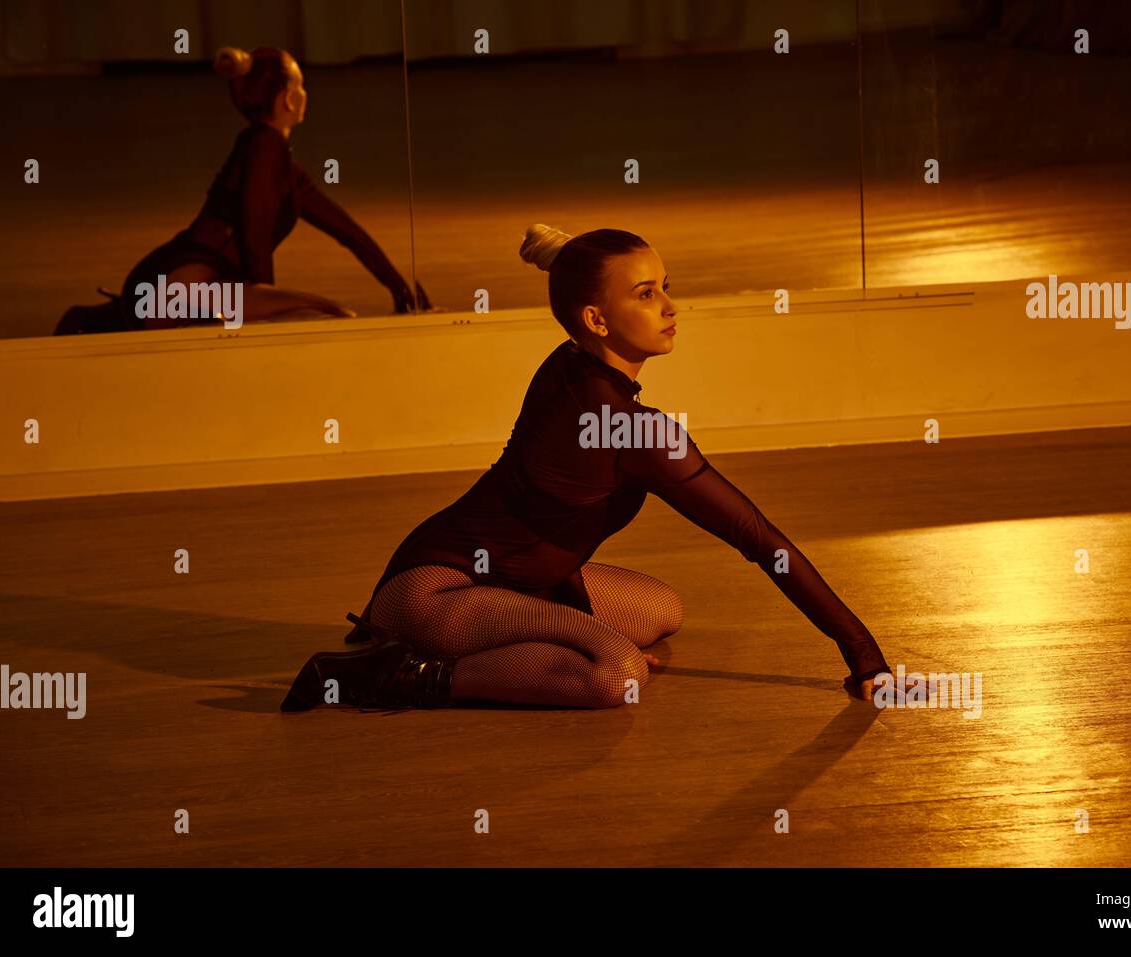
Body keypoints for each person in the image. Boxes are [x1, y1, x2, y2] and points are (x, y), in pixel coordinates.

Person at [281, 224, 906, 713]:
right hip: (440, 593)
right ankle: (398, 675)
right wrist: (864, 656)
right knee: (618, 675)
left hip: (527, 583)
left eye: (665, 285)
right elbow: (759, 540)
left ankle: (532, 642)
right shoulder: (633, 432)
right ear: (596, 319)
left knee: (662, 611)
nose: (670, 306)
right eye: (646, 294)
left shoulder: (569, 361)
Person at [54, 45, 429, 335]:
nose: (303, 93)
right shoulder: (265, 149)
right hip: (175, 291)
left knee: (327, 317)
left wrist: (399, 288)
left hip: (183, 291)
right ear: (287, 98)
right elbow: (255, 230)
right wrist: (262, 303)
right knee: (332, 317)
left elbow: (345, 230)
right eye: (299, 84)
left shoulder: (277, 162)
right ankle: (101, 323)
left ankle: (99, 321)